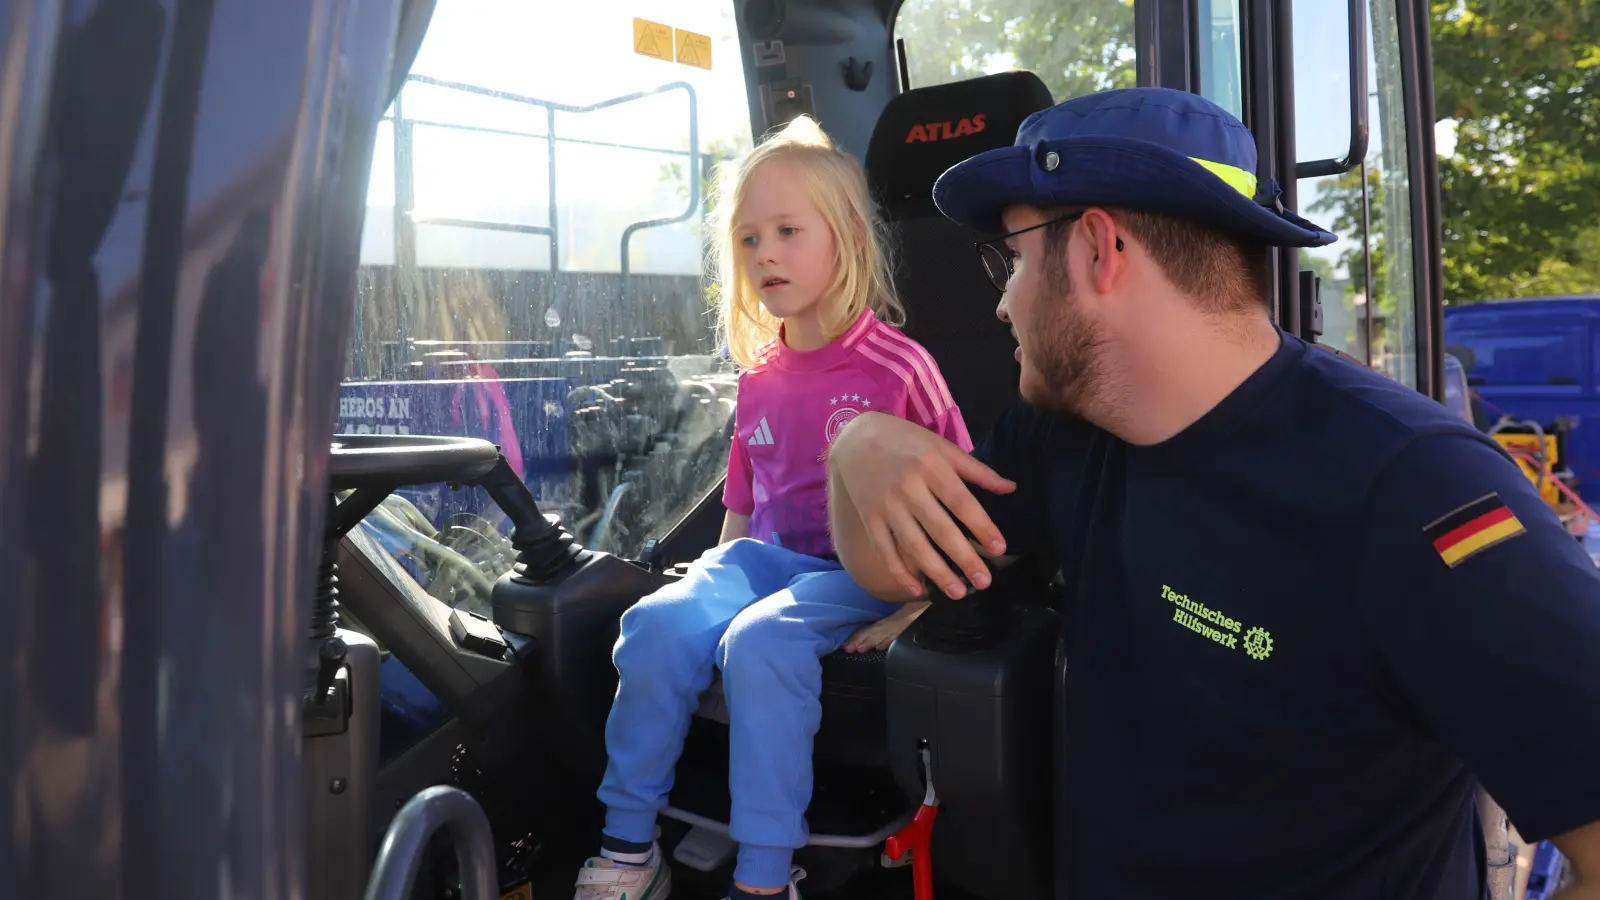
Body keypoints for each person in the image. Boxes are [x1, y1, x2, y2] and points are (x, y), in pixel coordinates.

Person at [826, 87, 1600, 899]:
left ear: (1098, 249)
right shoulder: (1062, 431)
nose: (1002, 299)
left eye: (1011, 258)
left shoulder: (1414, 485)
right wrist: (852, 446)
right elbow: (893, 574)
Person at [574, 115, 969, 900]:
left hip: (860, 570)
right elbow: (743, 507)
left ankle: (762, 880)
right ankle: (629, 847)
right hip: (763, 563)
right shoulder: (758, 377)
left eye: (789, 230)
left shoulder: (899, 369)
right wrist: (706, 590)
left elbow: (957, 502)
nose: (767, 255)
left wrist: (916, 606)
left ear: (849, 238)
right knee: (655, 623)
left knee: (759, 644)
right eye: (750, 240)